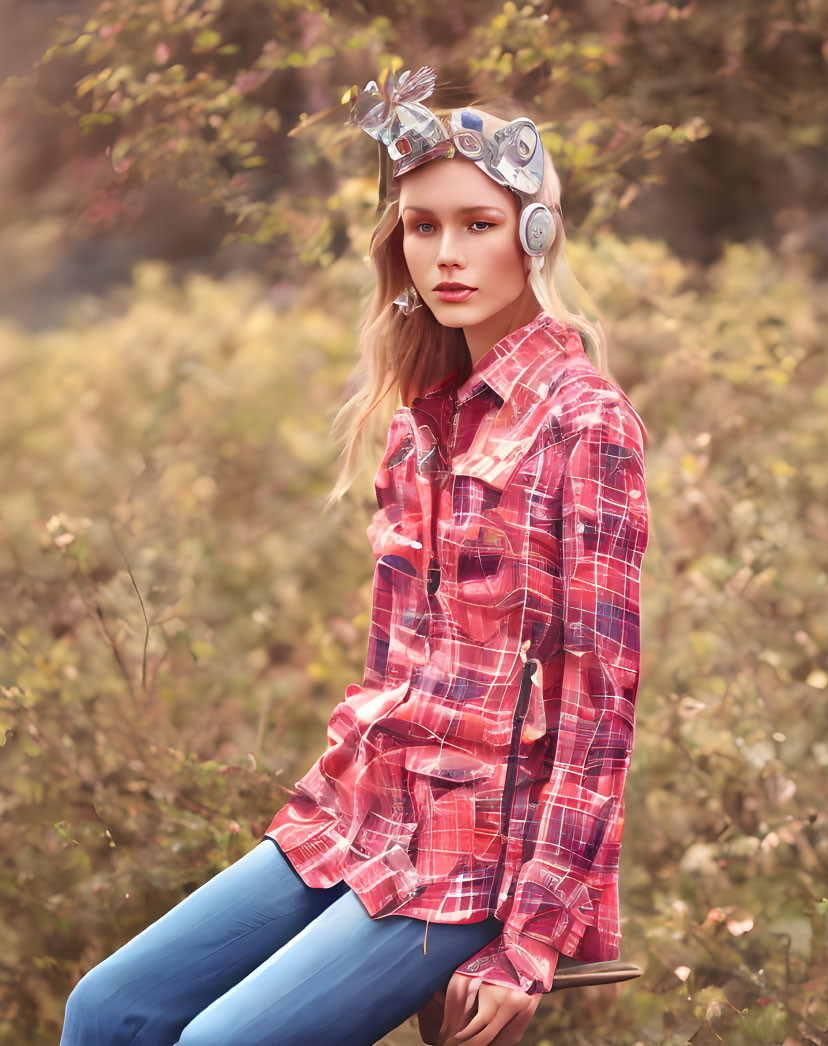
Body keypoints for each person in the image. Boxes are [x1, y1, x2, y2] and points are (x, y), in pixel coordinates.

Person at [60, 66, 649, 1046]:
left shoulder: (585, 422)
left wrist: (531, 938)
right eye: (423, 227)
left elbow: (601, 704)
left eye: (478, 224)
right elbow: (394, 666)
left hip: (478, 848)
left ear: (533, 233)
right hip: (363, 806)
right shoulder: (417, 424)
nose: (447, 255)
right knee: (105, 1009)